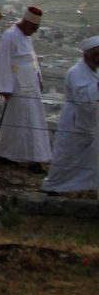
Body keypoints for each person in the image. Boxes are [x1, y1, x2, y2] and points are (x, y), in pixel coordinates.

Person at [0, 5, 52, 170]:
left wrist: (38, 78)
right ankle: (11, 154)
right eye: (33, 28)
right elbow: (1, 62)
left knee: (33, 121)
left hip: (30, 87)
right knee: (18, 121)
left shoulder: (27, 37)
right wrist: (5, 87)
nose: (34, 32)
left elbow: (31, 60)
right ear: (25, 23)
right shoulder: (10, 36)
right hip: (17, 88)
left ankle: (32, 157)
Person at [41, 36, 99, 195]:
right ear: (86, 55)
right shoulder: (76, 72)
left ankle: (81, 187)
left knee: (88, 158)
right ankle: (53, 187)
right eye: (96, 54)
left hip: (90, 122)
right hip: (75, 121)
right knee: (67, 156)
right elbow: (83, 99)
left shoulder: (94, 71)